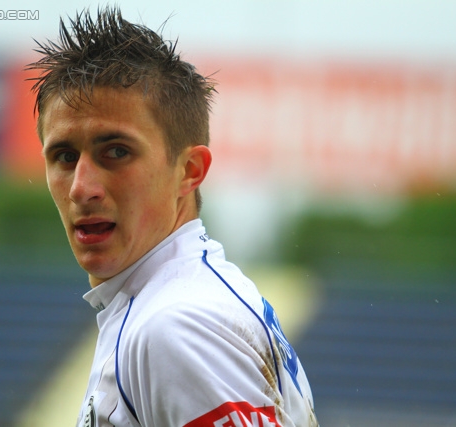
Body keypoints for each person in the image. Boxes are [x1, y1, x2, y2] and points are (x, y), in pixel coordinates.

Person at [28, 6, 318, 426]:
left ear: (189, 171)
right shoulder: (168, 301)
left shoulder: (176, 327)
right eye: (64, 156)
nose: (80, 187)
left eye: (116, 152)